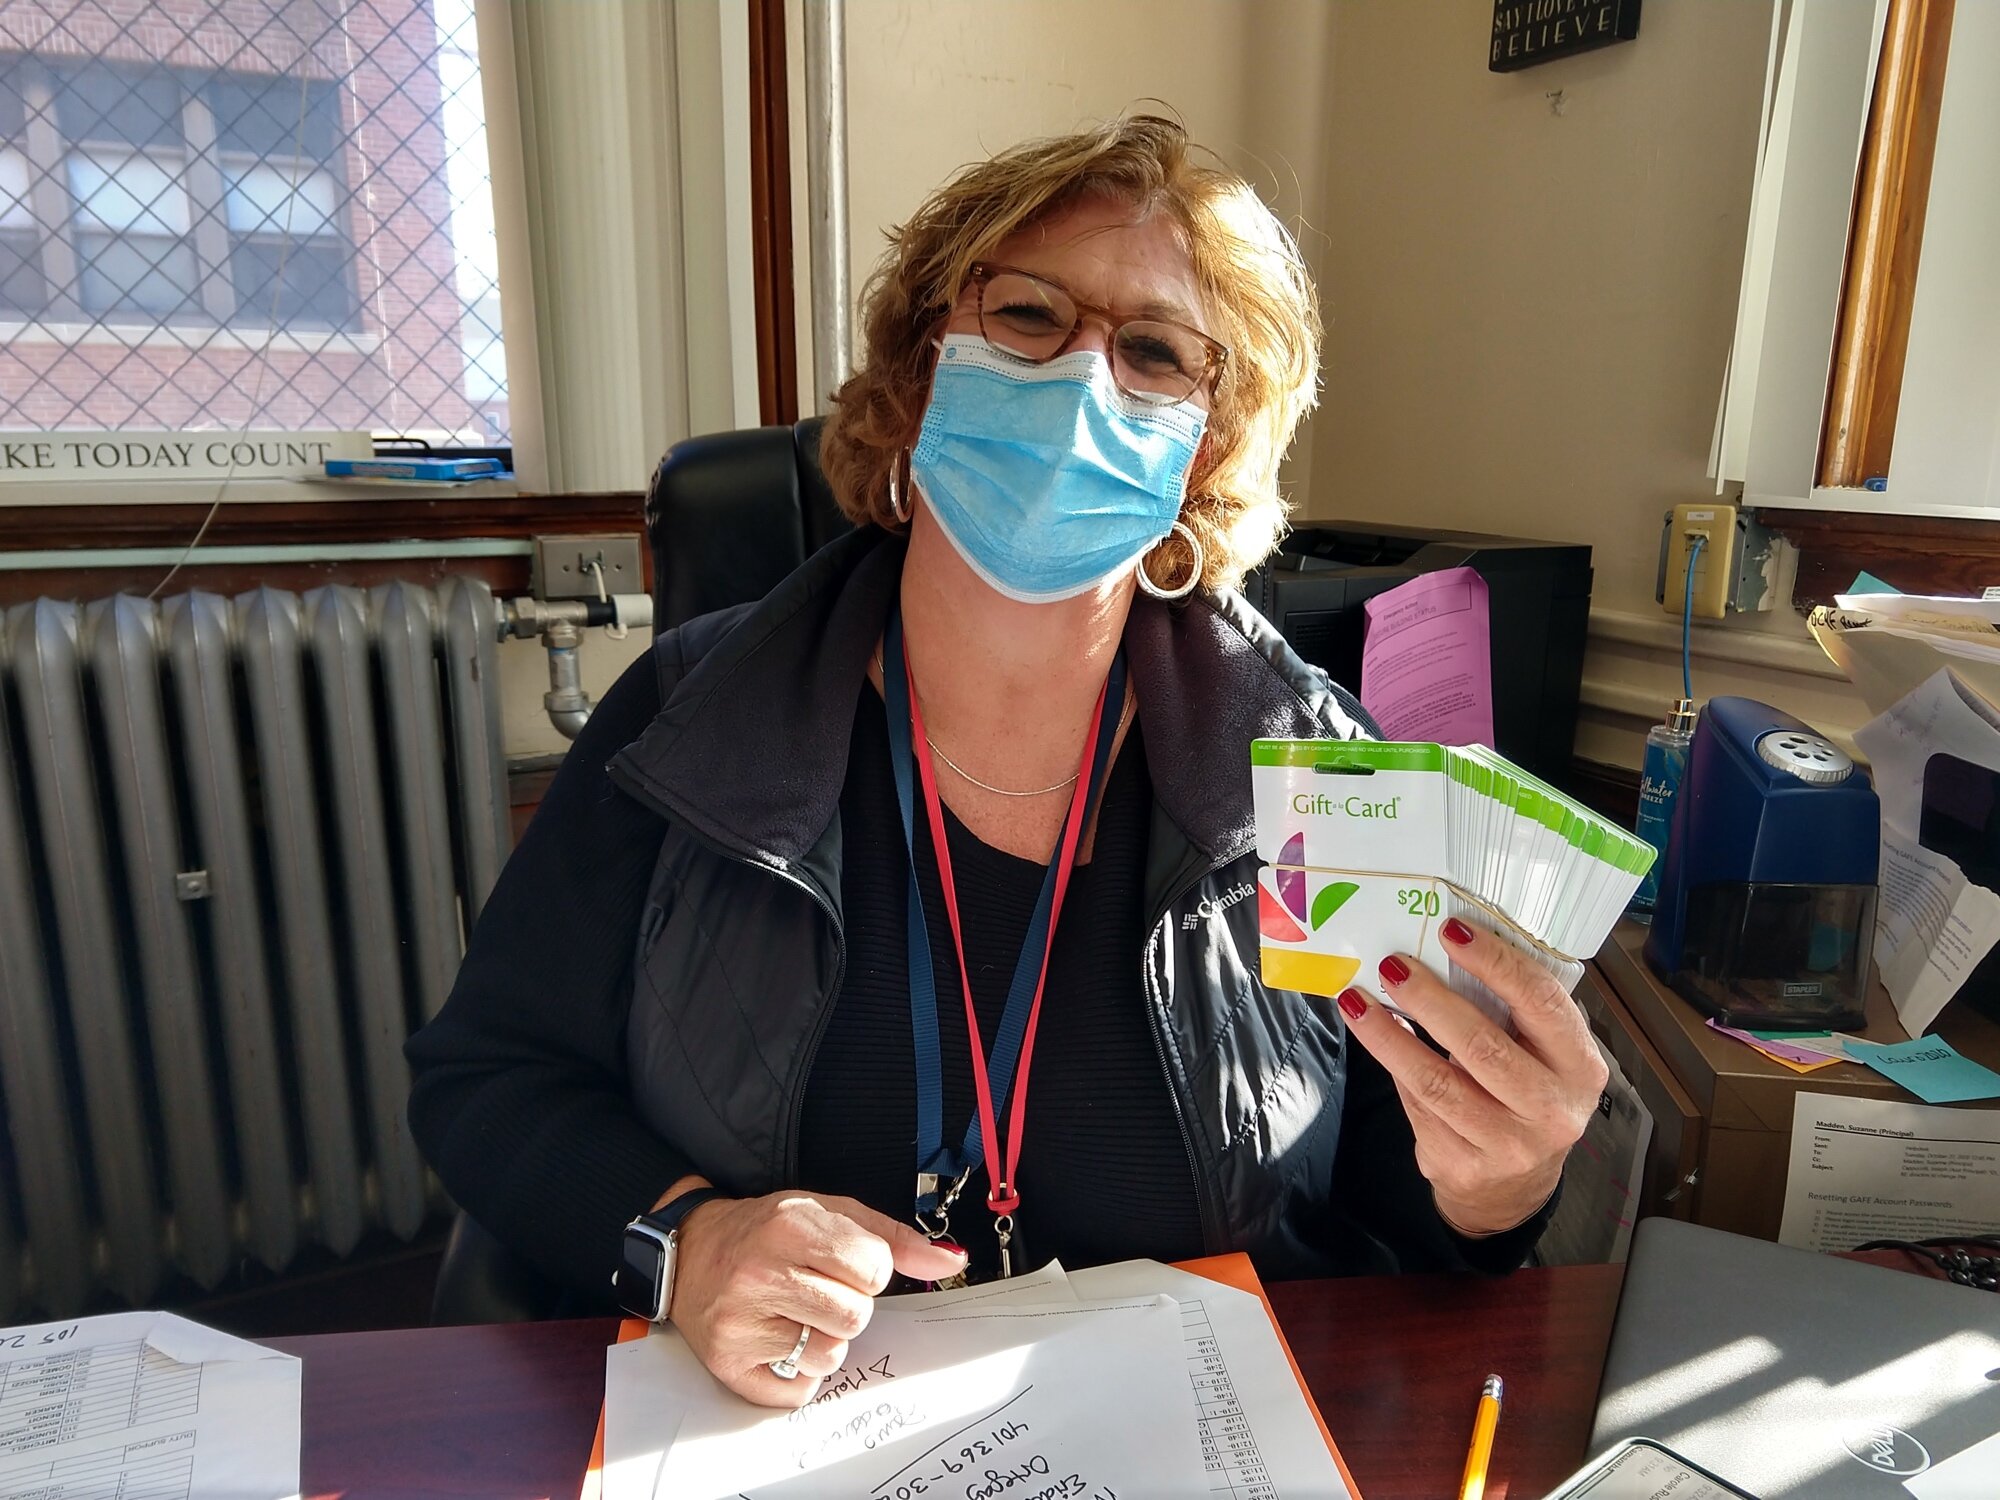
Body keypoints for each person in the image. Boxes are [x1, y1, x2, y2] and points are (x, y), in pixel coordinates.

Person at [405, 115, 1607, 1409]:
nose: (1085, 378)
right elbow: (489, 1081)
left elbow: (1393, 1217)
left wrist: (1499, 1189)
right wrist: (685, 1236)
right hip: (767, 1437)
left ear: (1207, 444)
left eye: (1153, 352)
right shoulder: (690, 715)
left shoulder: (1319, 777)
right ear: (924, 369)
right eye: (1028, 317)